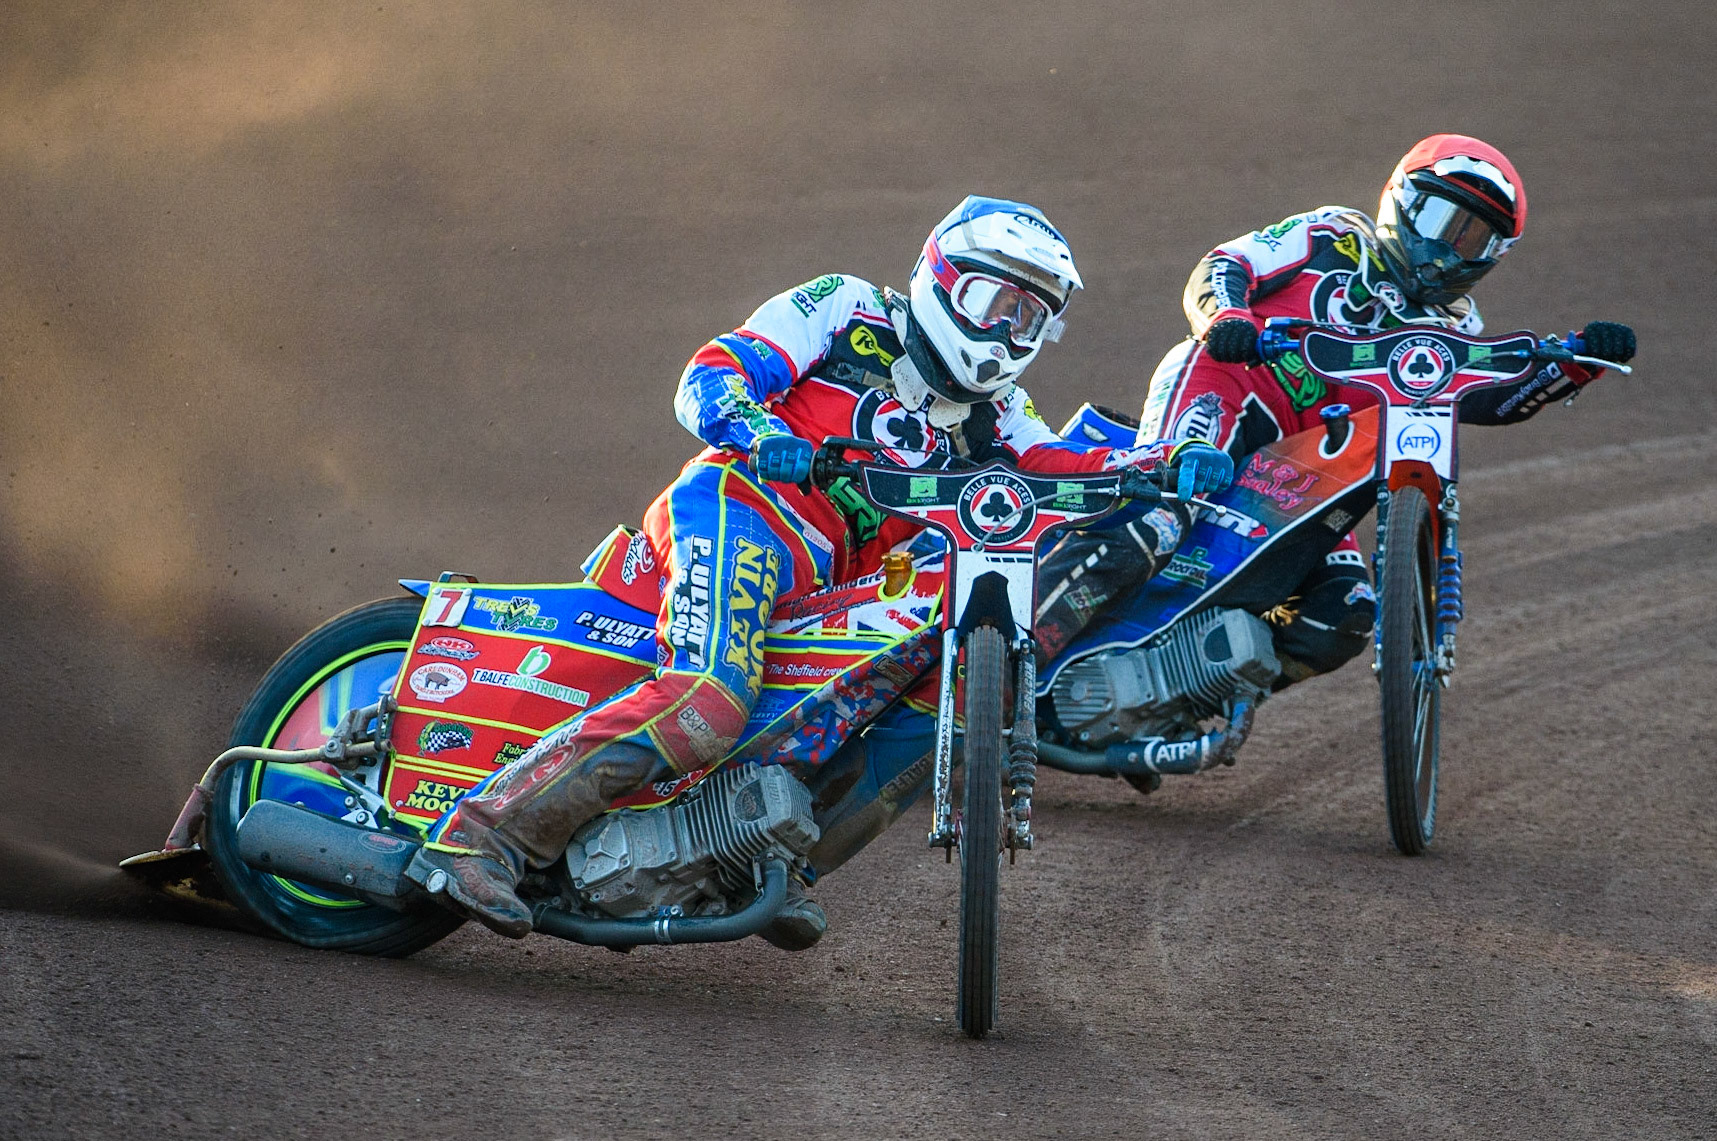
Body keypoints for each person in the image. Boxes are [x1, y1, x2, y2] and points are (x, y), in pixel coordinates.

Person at [407, 196, 1233, 943]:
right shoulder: (846, 308)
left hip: (830, 587)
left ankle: (760, 856)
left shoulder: (997, 413)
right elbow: (712, 373)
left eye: (1030, 317)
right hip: (740, 511)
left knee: (924, 706)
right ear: (941, 277)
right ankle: (478, 836)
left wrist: (1166, 460)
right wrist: (751, 425)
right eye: (994, 301)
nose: (1007, 332)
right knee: (709, 700)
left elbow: (1059, 461)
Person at [1035, 134, 1636, 686]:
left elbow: (1488, 399)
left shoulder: (1458, 328)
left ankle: (1175, 691)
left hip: (1304, 473)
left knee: (1343, 612)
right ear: (1399, 200)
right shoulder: (1331, 235)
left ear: (1495, 254)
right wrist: (1227, 320)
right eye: (1437, 218)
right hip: (1226, 391)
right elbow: (1225, 265)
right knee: (1158, 511)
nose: (1449, 250)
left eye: (1471, 237)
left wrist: (1575, 363)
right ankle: (1006, 667)